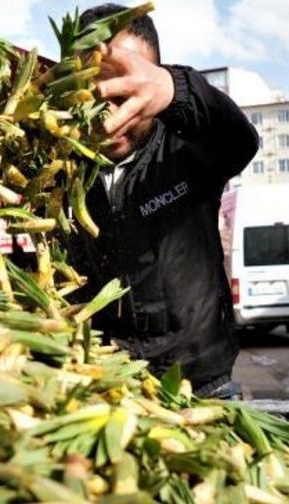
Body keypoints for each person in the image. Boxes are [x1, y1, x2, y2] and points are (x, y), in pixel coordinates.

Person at [69, 4, 259, 397]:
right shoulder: (61, 169)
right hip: (113, 386)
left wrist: (177, 89)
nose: (111, 110)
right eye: (95, 87)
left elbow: (240, 139)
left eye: (127, 85)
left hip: (203, 386)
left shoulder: (189, 148)